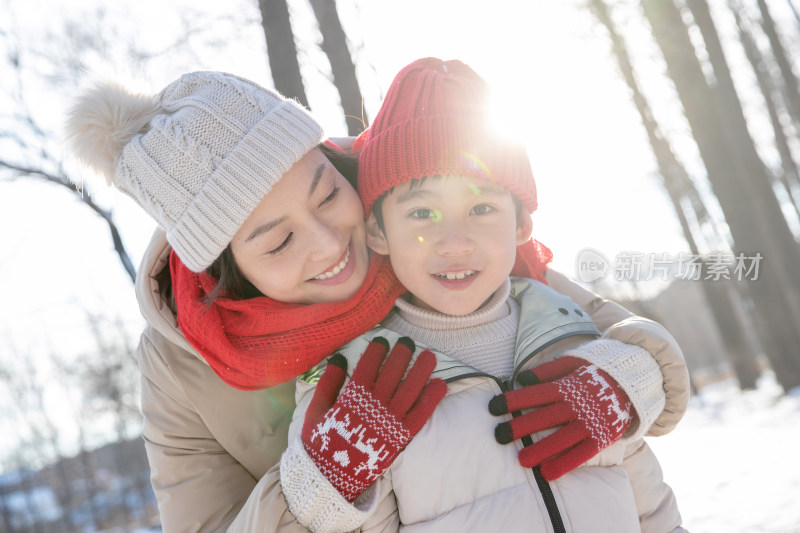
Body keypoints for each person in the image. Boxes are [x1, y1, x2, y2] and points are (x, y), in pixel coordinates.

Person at [65, 69, 688, 532]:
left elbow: (594, 326)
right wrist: (319, 481)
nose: (330, 240)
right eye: (279, 241)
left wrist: (630, 378)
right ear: (231, 273)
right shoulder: (182, 367)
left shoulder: (408, 204)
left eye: (326, 193)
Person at [278, 58, 686, 532]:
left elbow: (651, 505)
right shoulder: (361, 379)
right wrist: (329, 489)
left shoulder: (577, 337)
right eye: (422, 215)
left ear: (521, 225)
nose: (455, 242)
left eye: (481, 207)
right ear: (377, 232)